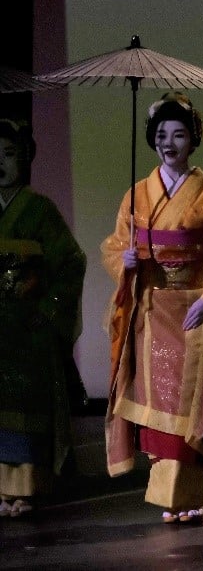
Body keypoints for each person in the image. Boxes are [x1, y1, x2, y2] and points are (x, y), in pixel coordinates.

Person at [102, 93, 203, 525]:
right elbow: (115, 245)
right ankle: (170, 497)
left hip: (193, 311)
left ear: (193, 140)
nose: (169, 143)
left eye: (179, 134)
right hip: (151, 310)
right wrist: (124, 261)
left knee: (191, 406)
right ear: (152, 139)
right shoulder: (136, 196)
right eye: (162, 134)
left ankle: (189, 494)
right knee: (155, 403)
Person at [0, 119, 86, 518]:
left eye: (9, 154)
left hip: (28, 328)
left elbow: (71, 261)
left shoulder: (40, 209)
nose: (0, 163)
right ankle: (3, 490)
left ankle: (28, 489)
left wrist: (46, 304)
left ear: (26, 158)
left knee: (27, 409)